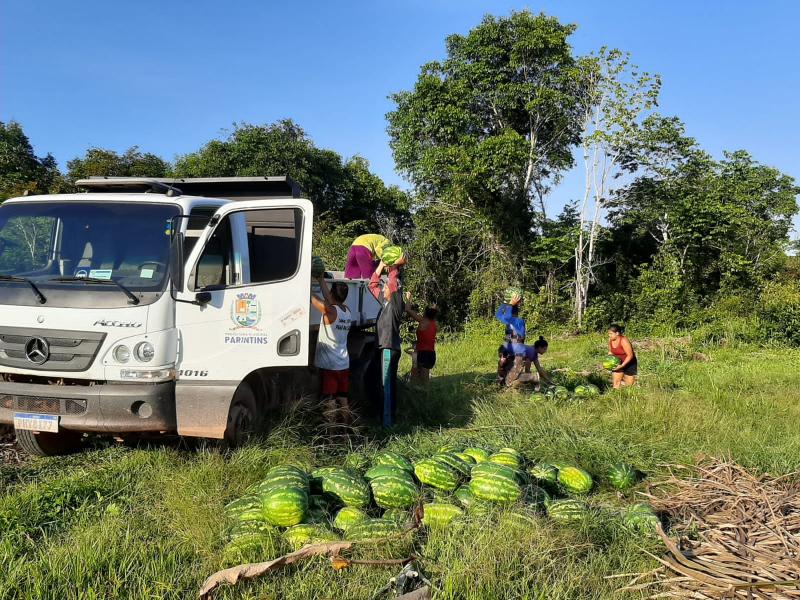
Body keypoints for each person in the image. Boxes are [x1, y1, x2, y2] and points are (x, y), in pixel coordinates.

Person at [310, 275, 354, 433]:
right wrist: (322, 282)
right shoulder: (347, 311)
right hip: (344, 363)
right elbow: (330, 301)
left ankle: (332, 432)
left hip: (330, 365)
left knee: (329, 400)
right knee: (343, 398)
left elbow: (316, 300)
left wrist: (307, 288)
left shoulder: (330, 312)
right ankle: (347, 429)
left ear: (332, 294)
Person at [368, 260, 404, 426]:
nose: (383, 289)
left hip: (389, 348)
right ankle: (387, 416)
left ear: (393, 290)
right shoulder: (385, 301)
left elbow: (392, 281)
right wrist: (381, 265)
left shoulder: (396, 303)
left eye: (386, 287)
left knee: (386, 385)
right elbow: (372, 285)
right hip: (384, 347)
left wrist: (395, 266)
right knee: (384, 384)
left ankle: (388, 423)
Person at [404, 292, 438, 384]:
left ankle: (423, 396)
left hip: (423, 353)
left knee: (421, 381)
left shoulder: (423, 321)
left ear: (425, 312)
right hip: (431, 354)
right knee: (422, 380)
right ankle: (422, 395)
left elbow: (407, 309)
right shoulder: (435, 324)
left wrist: (408, 298)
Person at [608, 323, 637, 388]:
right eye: (608, 334)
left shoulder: (624, 341)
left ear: (617, 333)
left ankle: (627, 397)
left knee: (629, 386)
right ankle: (615, 397)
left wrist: (622, 365)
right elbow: (610, 351)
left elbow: (630, 355)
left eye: (611, 333)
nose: (609, 335)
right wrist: (608, 360)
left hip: (629, 363)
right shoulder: (610, 340)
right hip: (618, 362)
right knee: (616, 383)